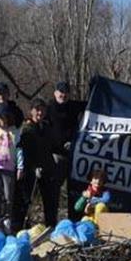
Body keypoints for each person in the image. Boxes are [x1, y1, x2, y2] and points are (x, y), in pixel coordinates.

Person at [42, 81, 82, 219]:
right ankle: (51, 222)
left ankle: (74, 220)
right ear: (55, 93)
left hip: (73, 156)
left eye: (65, 92)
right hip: (56, 156)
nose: (62, 95)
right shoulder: (48, 108)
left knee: (74, 191)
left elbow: (91, 104)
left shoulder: (74, 106)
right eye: (60, 92)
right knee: (53, 191)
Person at [14, 100, 49, 229]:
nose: (40, 112)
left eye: (42, 110)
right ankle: (20, 226)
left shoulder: (44, 127)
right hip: (28, 170)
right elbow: (24, 151)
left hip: (41, 168)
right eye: (37, 109)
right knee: (25, 200)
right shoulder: (27, 128)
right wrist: (32, 167)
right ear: (31, 111)